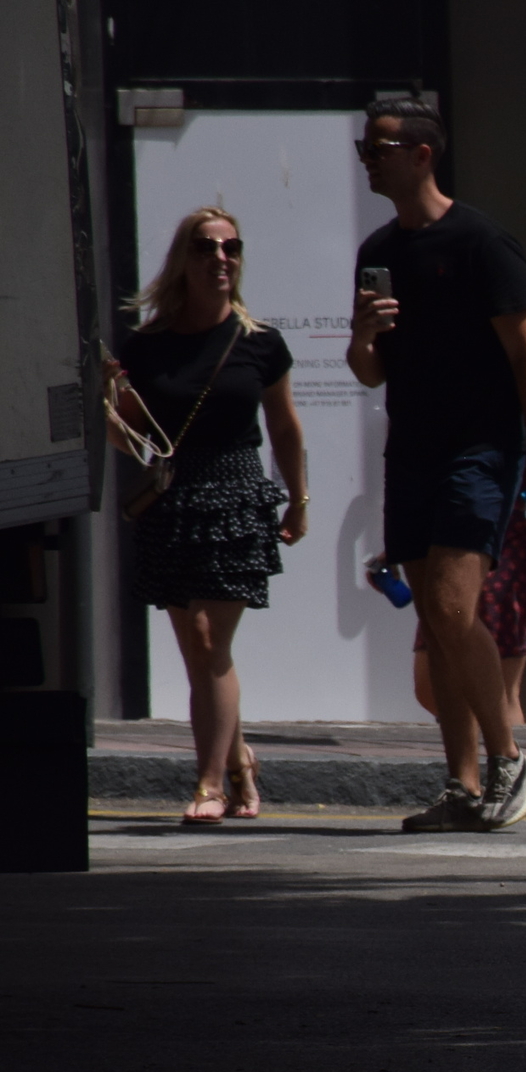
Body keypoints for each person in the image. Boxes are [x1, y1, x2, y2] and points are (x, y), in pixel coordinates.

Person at [348, 97, 526, 832]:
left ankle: (510, 759)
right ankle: (462, 786)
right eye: (364, 148)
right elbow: (368, 373)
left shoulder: (482, 242)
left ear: (422, 152)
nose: (367, 158)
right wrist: (363, 336)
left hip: (483, 447)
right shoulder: (378, 251)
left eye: (378, 147)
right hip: (411, 448)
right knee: (437, 625)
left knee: (448, 606)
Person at [105, 206, 308, 825]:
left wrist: (297, 500)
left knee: (208, 640)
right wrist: (114, 399)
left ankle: (210, 782)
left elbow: (285, 429)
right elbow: (131, 438)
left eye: (230, 248)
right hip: (173, 497)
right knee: (200, 655)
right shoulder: (146, 346)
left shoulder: (260, 343)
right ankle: (241, 758)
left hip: (237, 494)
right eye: (205, 248)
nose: (220, 258)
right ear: (182, 261)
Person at [406, 502, 526, 730]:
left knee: (501, 690)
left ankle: (507, 758)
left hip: (507, 551)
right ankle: (482, 749)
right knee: (430, 684)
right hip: (456, 548)